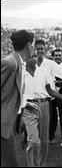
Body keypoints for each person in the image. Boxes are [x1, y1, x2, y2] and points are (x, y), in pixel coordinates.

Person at [21, 51, 62, 167]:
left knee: (44, 141)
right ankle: (32, 165)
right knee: (34, 140)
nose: (35, 59)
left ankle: (41, 165)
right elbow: (17, 92)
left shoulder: (43, 72)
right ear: (25, 58)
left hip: (44, 105)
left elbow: (50, 91)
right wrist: (24, 103)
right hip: (28, 107)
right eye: (31, 57)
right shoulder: (20, 73)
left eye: (35, 56)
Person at [1, 29, 34, 167]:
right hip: (3, 121)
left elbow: (14, 91)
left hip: (11, 118)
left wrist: (24, 104)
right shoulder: (10, 63)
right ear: (28, 45)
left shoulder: (18, 61)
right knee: (11, 162)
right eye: (31, 44)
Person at [49, 49, 62, 144]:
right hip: (52, 95)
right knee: (52, 117)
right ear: (52, 56)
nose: (58, 57)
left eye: (59, 55)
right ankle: (51, 137)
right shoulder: (49, 66)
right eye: (56, 55)